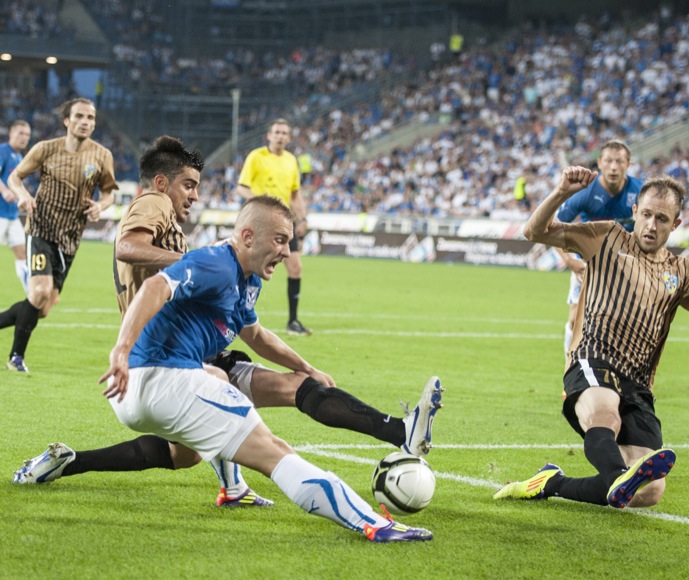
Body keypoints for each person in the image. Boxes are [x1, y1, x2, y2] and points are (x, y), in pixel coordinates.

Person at [13, 137, 443, 508]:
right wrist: (197, 263)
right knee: (243, 395)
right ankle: (392, 436)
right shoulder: (154, 201)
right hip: (167, 353)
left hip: (186, 348)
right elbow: (127, 246)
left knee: (187, 453)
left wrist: (307, 364)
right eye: (189, 185)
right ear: (162, 182)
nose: (195, 195)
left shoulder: (193, 237)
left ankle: (73, 461)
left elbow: (253, 332)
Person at [98, 196, 431, 541]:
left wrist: (307, 368)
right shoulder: (217, 262)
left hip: (146, 390)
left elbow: (256, 336)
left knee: (219, 378)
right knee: (276, 452)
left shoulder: (248, 280)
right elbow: (155, 286)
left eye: (288, 242)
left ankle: (233, 489)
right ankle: (375, 525)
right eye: (280, 240)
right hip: (161, 380)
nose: (286, 252)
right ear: (247, 236)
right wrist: (121, 350)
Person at [494, 166, 689, 509]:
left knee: (649, 491)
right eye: (646, 214)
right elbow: (534, 231)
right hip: (592, 358)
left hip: (638, 382)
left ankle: (553, 482)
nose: (651, 225)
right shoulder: (605, 236)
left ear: (676, 224)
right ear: (634, 211)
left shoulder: (682, 272)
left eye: (662, 219)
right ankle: (618, 474)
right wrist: (561, 193)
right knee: (606, 416)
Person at [0, 98, 117, 372]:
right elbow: (15, 178)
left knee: (42, 308)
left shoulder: (102, 156)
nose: (85, 122)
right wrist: (23, 196)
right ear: (67, 120)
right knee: (39, 291)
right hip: (41, 229)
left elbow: (109, 193)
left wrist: (100, 206)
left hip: (70, 239)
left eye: (90, 118)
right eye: (79, 116)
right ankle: (16, 358)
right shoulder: (46, 148)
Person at [553, 140, 642, 357]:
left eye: (619, 161)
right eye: (609, 161)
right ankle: (570, 364)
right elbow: (554, 225)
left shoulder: (641, 191)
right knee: (575, 319)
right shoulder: (586, 191)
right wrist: (570, 261)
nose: (614, 167)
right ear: (600, 163)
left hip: (624, 265)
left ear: (628, 164)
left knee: (623, 323)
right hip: (587, 263)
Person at [237, 118, 311, 336]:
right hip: (259, 221)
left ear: (288, 138)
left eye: (284, 133)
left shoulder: (291, 161)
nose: (280, 136)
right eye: (277, 132)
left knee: (295, 267)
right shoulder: (256, 156)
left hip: (284, 222)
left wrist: (303, 219)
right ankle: (235, 311)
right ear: (269, 135)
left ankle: (293, 320)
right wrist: (261, 204)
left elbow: (295, 194)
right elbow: (242, 187)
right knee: (247, 267)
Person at [0, 119, 32, 292]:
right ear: (11, 133)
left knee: (22, 255)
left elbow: (18, 186)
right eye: (21, 133)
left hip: (12, 216)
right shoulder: (3, 151)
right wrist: (4, 191)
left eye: (27, 134)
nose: (24, 137)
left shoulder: (20, 158)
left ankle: (32, 298)